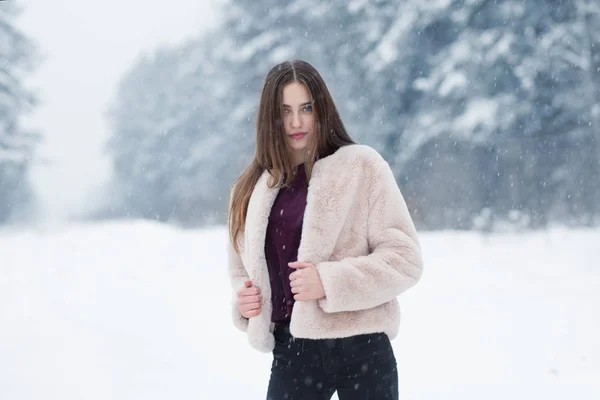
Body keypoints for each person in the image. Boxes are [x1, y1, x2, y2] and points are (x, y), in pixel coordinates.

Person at [227, 59, 423, 400]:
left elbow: (405, 260)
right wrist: (244, 302)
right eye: (284, 111)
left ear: (322, 108)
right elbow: (242, 271)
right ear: (269, 118)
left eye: (306, 107)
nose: (296, 122)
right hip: (293, 352)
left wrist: (329, 281)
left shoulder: (362, 166)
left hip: (362, 346)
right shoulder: (249, 189)